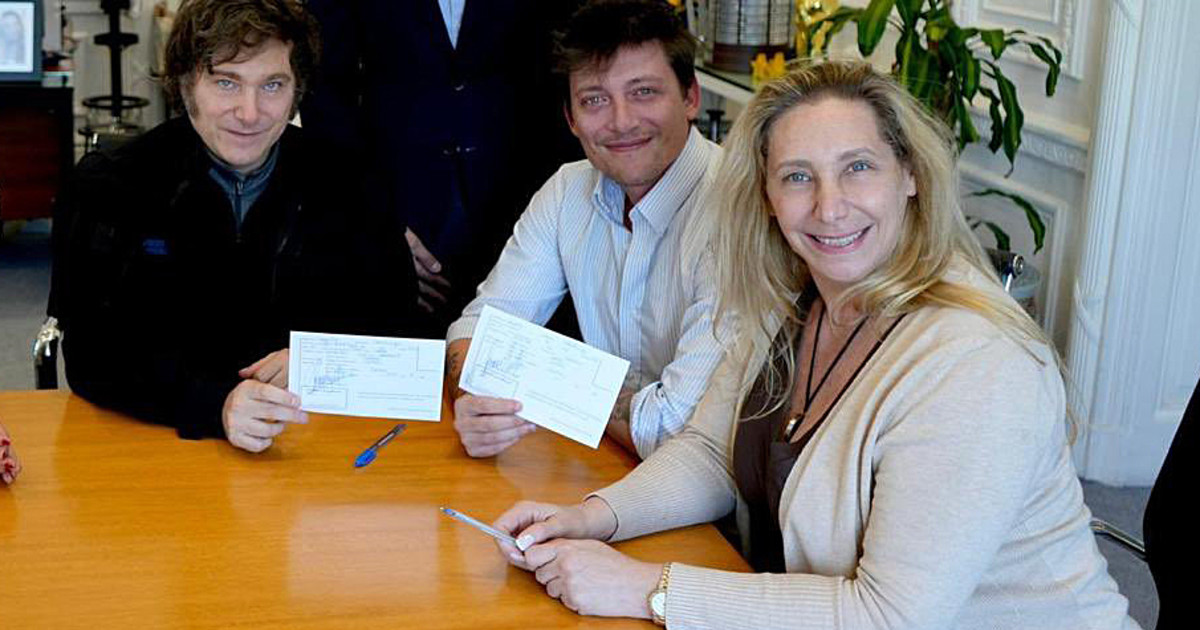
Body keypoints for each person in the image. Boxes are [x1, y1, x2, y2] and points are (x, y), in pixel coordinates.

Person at [488, 60, 1140, 629]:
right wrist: (593, 517)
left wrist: (648, 589)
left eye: (857, 167)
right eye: (798, 177)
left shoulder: (974, 361)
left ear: (909, 174)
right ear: (768, 196)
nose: (829, 207)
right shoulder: (792, 297)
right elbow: (713, 452)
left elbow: (888, 616)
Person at [52, 0, 421, 453]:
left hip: (311, 448)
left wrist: (322, 363)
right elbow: (90, 356)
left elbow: (403, 336)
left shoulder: (352, 185)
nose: (250, 112)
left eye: (272, 85)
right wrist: (216, 404)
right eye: (226, 83)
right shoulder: (111, 185)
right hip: (160, 443)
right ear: (185, 84)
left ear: (298, 90)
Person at [445, 0, 727, 459]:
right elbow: (475, 329)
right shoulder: (567, 191)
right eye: (595, 99)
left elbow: (671, 427)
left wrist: (529, 379)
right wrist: (476, 401)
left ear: (690, 97)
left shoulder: (736, 212)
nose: (621, 121)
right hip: (606, 467)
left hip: (716, 497)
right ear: (571, 118)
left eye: (644, 92)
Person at [300, 0, 583, 331]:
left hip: (525, 212)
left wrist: (558, 220)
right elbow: (324, 92)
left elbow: (571, 70)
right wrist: (376, 225)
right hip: (398, 219)